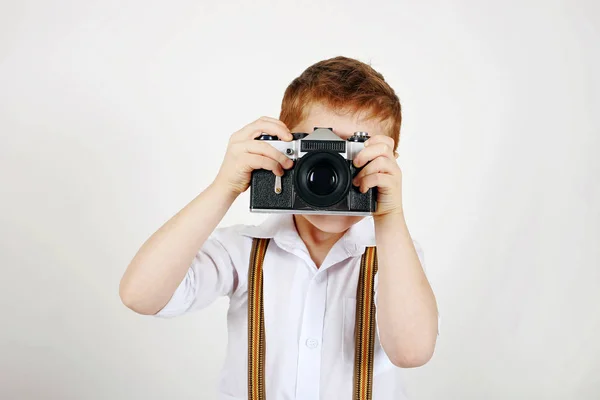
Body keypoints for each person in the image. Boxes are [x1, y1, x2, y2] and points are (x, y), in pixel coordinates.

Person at [119, 56, 439, 400]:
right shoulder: (244, 249)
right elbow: (140, 296)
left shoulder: (394, 256)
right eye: (318, 149)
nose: (332, 173)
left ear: (385, 162)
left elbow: (412, 352)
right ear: (284, 148)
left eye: (351, 155)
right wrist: (224, 186)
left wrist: (389, 213)